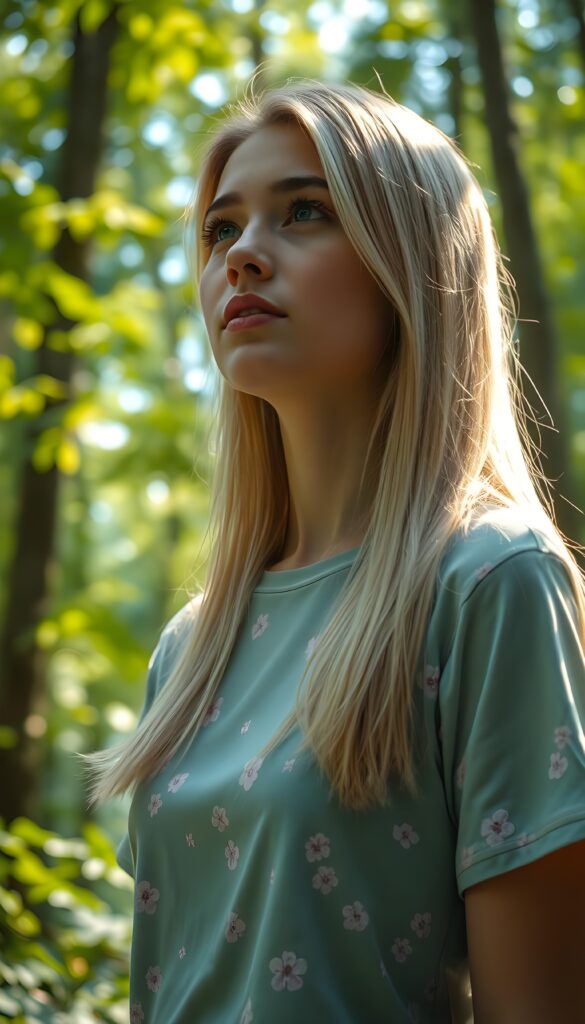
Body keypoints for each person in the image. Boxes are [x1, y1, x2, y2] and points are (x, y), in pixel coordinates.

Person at [84, 80, 585, 1023]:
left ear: (415, 261)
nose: (240, 257)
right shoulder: (189, 649)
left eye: (304, 212)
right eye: (219, 231)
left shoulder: (488, 581)